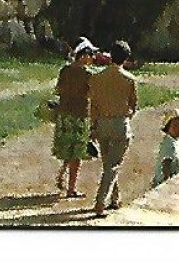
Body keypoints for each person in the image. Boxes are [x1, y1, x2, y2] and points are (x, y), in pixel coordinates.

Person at [88, 39, 138, 215]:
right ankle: (100, 201)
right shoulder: (129, 80)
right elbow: (134, 106)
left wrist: (93, 127)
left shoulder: (97, 78)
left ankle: (115, 198)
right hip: (120, 124)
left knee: (109, 164)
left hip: (102, 123)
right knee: (113, 166)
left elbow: (93, 105)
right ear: (126, 58)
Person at [51, 39, 96, 197]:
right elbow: (92, 95)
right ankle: (71, 188)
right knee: (77, 154)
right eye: (90, 54)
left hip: (64, 115)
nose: (92, 57)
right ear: (82, 55)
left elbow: (58, 90)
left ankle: (62, 175)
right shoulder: (88, 74)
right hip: (80, 115)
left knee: (67, 150)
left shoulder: (65, 70)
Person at [153, 109, 179, 186]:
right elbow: (166, 164)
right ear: (168, 128)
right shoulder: (169, 144)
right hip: (162, 183)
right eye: (175, 126)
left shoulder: (175, 140)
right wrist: (167, 183)